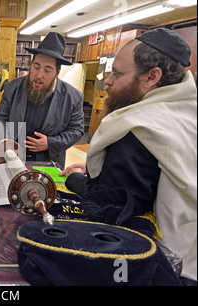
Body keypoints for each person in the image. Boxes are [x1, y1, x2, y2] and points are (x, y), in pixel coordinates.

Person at [60, 28, 197, 285]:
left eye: (117, 73)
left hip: (165, 265)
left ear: (151, 77)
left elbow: (111, 206)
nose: (108, 81)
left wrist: (76, 179)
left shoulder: (137, 129)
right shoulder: (186, 111)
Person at [0, 32, 84, 168]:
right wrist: (4, 140)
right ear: (30, 65)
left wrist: (51, 143)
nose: (39, 75)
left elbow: (77, 130)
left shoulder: (73, 97)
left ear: (57, 73)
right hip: (13, 159)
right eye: (36, 67)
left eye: (47, 70)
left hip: (49, 162)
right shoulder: (12, 87)